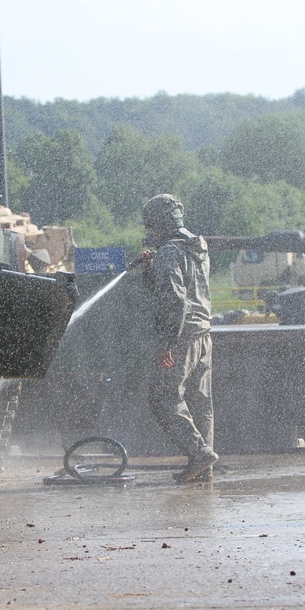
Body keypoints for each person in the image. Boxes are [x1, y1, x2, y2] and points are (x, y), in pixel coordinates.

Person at [135, 194, 218, 483]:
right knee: (200, 401)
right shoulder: (198, 246)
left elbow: (174, 298)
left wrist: (167, 343)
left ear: (159, 223)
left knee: (163, 398)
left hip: (181, 336)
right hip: (203, 333)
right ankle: (203, 467)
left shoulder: (170, 252)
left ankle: (199, 454)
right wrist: (151, 269)